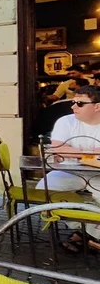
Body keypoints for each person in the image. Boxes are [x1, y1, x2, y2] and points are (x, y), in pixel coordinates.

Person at [38, 85, 100, 252]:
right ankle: (88, 231)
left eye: (80, 103)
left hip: (98, 176)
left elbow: (64, 150)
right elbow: (57, 148)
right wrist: (90, 155)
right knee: (45, 189)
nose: (73, 106)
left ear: (97, 106)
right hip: (70, 172)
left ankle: (86, 235)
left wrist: (72, 152)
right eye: (73, 102)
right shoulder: (66, 121)